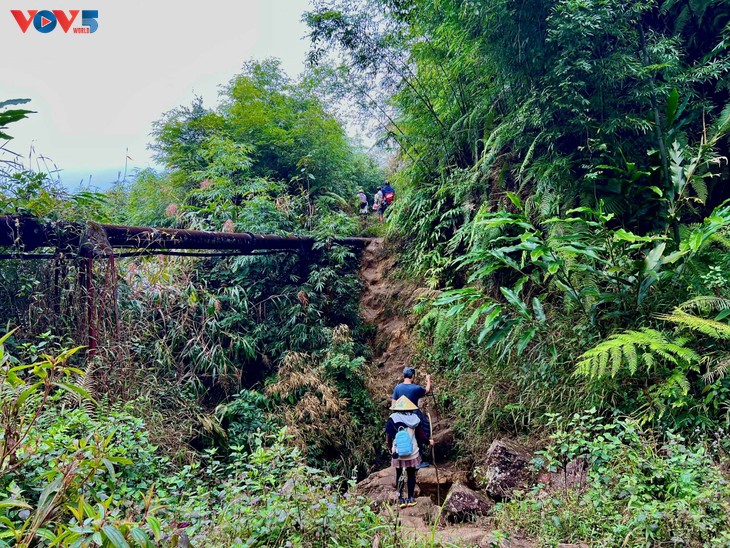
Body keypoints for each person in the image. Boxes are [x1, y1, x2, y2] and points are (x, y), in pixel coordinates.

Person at [385, 395, 433, 508]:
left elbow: (389, 436)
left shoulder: (392, 419)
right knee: (411, 474)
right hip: (412, 452)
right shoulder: (415, 419)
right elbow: (421, 435)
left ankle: (401, 499)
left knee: (399, 474)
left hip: (398, 452)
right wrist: (429, 442)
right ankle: (411, 498)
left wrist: (389, 447)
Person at [392, 367, 432, 468]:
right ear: (413, 376)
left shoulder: (397, 388)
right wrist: (428, 379)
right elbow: (427, 390)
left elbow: (393, 404)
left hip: (400, 415)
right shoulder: (416, 388)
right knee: (424, 429)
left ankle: (402, 458)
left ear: (403, 376)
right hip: (413, 414)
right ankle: (419, 459)